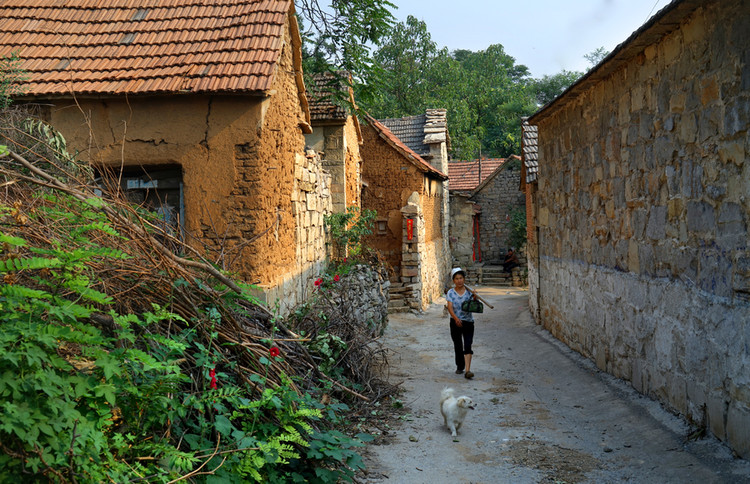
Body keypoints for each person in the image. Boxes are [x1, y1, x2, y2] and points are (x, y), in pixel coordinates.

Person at [445, 267, 479, 379]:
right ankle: (460, 366)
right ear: (453, 280)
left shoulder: (469, 292)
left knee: (468, 345)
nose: (459, 281)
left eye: (461, 278)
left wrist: (474, 296)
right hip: (455, 322)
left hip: (468, 322)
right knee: (458, 345)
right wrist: (455, 318)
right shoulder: (451, 292)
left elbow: (474, 306)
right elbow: (450, 307)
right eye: (457, 278)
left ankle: (468, 371)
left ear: (464, 279)